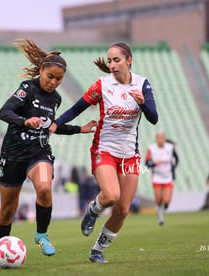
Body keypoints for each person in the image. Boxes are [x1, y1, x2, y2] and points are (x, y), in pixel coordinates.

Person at [53, 42, 158, 262]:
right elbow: (76, 108)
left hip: (130, 155)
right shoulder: (103, 85)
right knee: (111, 195)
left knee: (123, 210)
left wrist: (142, 103)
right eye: (109, 60)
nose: (111, 64)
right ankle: (93, 210)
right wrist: (55, 124)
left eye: (116, 60)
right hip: (105, 149)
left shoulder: (142, 84)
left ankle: (97, 250)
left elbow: (153, 118)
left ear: (129, 60)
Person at [0, 38, 97, 257]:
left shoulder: (56, 99)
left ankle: (42, 234)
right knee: (7, 211)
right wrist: (24, 121)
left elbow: (52, 127)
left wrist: (82, 129)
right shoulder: (27, 89)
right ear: (41, 70)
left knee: (43, 188)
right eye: (50, 77)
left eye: (58, 79)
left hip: (38, 152)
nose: (53, 82)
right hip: (13, 155)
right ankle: (3, 250)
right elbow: (3, 112)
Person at [145, 132, 179, 226]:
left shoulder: (170, 147)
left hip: (168, 177)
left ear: (165, 138)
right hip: (156, 178)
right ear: (156, 139)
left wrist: (174, 167)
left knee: (167, 201)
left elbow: (177, 158)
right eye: (159, 138)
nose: (161, 140)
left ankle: (161, 211)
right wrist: (153, 164)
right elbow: (146, 164)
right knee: (159, 199)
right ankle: (160, 215)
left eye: (162, 138)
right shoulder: (151, 148)